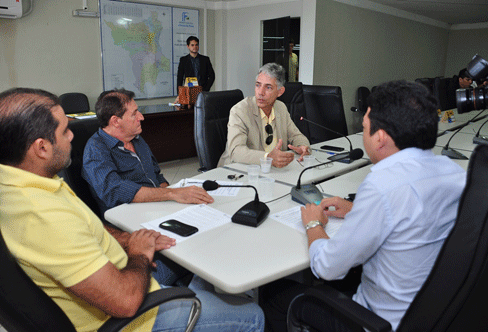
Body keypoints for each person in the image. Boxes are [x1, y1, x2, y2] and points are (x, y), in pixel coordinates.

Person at [0, 87, 265, 332]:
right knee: (252, 314)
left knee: (203, 260)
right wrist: (139, 252)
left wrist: (130, 238)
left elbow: (88, 227)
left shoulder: (24, 185)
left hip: (127, 262)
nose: (73, 135)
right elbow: (126, 302)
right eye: (64, 130)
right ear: (41, 147)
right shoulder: (43, 216)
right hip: (136, 312)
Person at [260, 80, 466, 332]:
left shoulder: (383, 184)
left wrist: (313, 224)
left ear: (380, 138)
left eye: (364, 127)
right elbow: (412, 221)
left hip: (376, 322)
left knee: (273, 296)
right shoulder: (452, 172)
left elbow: (326, 268)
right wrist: (356, 210)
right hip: (436, 314)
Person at [82, 88, 214, 218]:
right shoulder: (96, 149)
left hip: (155, 206)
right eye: (134, 114)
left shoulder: (136, 139)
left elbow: (156, 175)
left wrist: (174, 197)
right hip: (126, 216)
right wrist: (171, 194)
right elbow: (114, 191)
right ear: (115, 121)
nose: (141, 117)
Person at [218, 63, 310, 168]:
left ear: (280, 92)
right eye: (258, 85)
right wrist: (268, 157)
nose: (260, 92)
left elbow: (296, 136)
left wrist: (302, 146)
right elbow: (236, 151)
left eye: (268, 87)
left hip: (271, 172)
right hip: (237, 171)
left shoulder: (281, 108)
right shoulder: (240, 111)